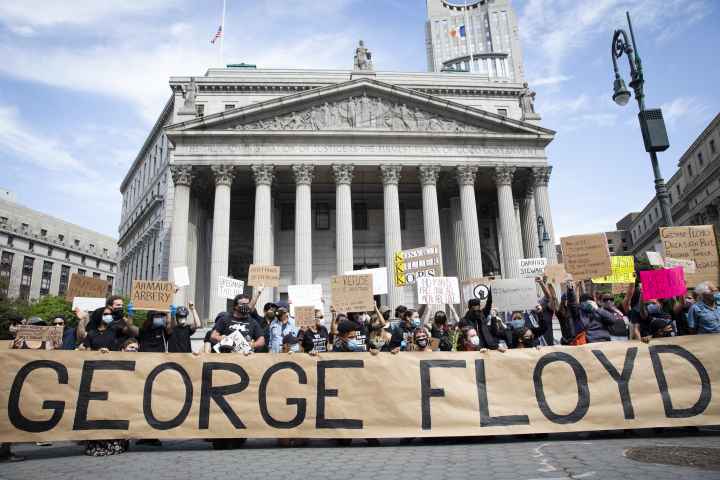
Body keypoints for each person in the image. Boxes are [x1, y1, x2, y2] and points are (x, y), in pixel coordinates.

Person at [83, 338, 137, 457]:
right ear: (123, 349)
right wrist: (100, 354)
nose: (134, 350)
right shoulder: (112, 358)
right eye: (131, 347)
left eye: (137, 349)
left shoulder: (139, 364)